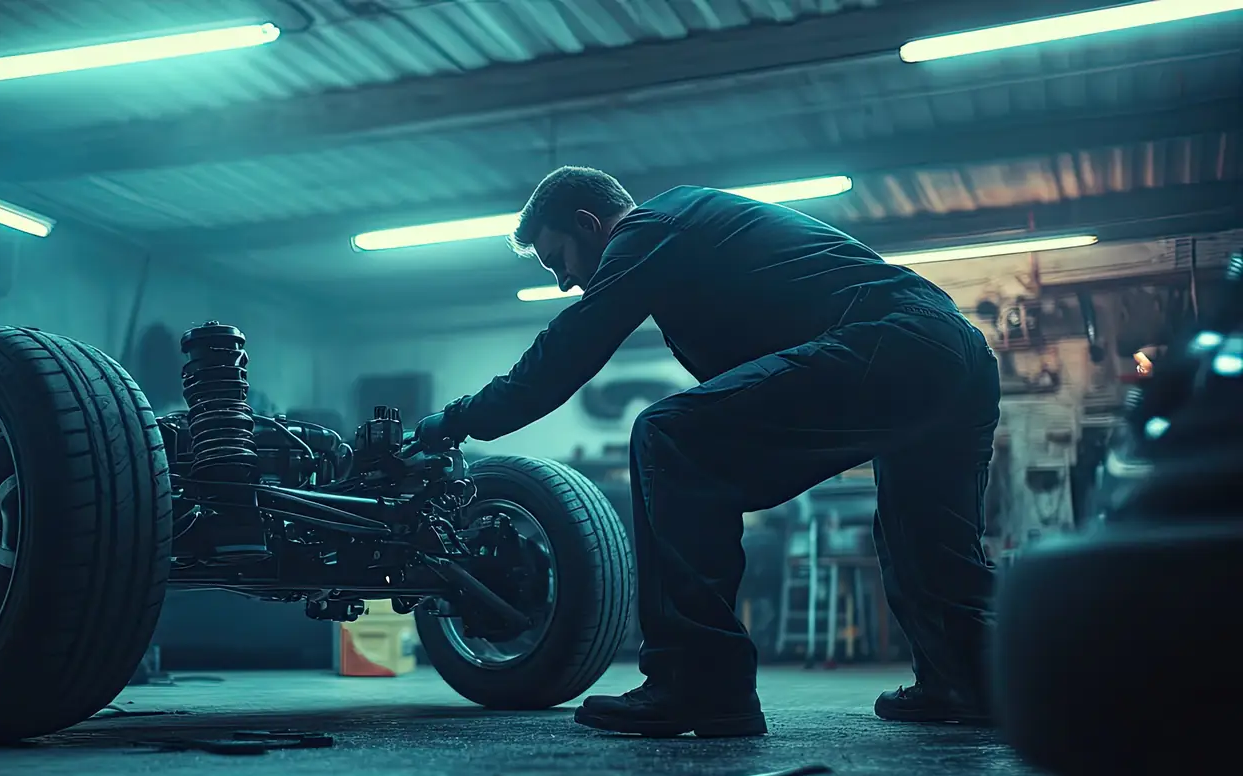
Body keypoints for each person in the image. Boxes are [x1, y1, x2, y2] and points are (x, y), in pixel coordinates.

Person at [410, 166, 1000, 738]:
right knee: (928, 530)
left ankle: (697, 681)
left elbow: (564, 352)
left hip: (892, 340)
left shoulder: (652, 225)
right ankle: (969, 683)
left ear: (589, 223)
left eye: (557, 259)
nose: (563, 282)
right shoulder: (691, 240)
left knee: (670, 437)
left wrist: (455, 421)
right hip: (958, 353)